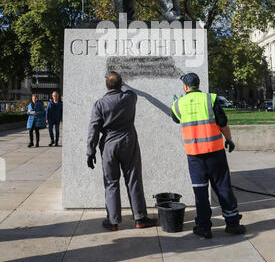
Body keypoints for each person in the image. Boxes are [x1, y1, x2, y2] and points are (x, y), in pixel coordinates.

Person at [171, 73, 246, 238]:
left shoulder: (179, 104)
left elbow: (175, 119)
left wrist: (175, 103)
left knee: (200, 191)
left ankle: (204, 227)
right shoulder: (210, 99)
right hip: (215, 153)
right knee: (223, 187)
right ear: (198, 84)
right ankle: (232, 223)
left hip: (195, 156)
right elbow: (222, 122)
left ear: (185, 87)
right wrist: (229, 139)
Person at [87, 72, 157, 231]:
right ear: (120, 85)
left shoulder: (99, 104)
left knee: (111, 182)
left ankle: (113, 221)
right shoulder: (129, 98)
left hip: (109, 146)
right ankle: (140, 218)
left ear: (106, 86)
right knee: (133, 179)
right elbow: (129, 90)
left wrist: (90, 151)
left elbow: (94, 128)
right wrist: (122, 83)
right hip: (128, 142)